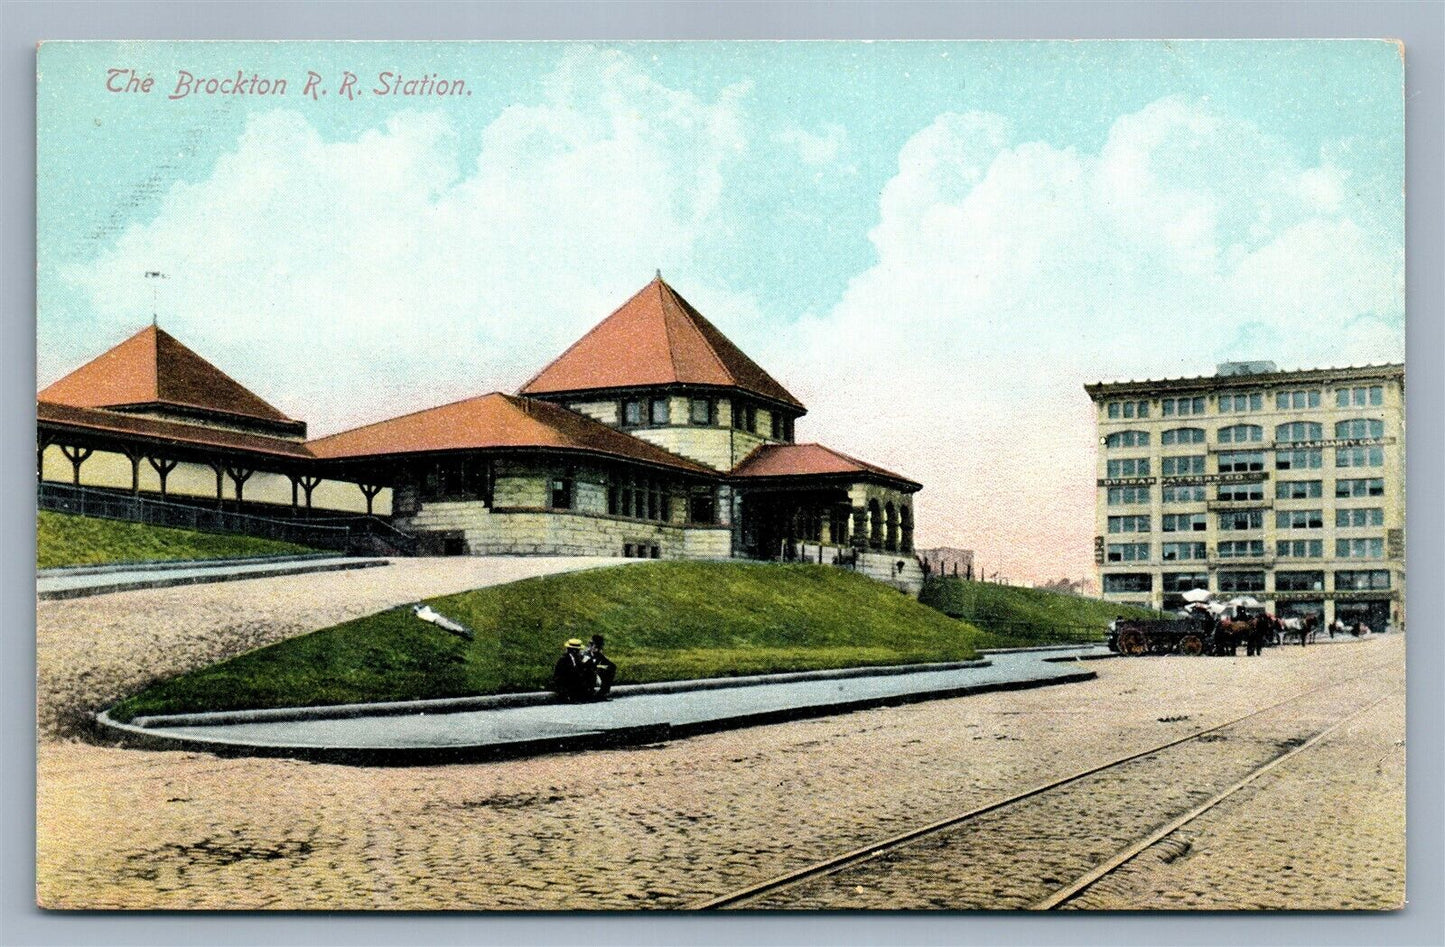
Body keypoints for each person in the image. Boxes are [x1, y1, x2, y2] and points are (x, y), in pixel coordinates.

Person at [552, 638, 594, 702]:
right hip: (566, 683)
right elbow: (567, 673)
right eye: (578, 650)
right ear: (574, 650)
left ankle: (587, 693)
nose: (579, 652)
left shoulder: (577, 658)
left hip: (574, 682)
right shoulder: (564, 659)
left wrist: (585, 663)